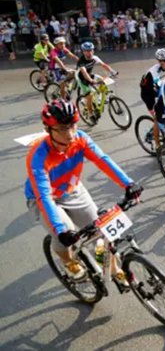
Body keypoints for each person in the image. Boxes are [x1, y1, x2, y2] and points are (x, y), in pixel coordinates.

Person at [25, 99, 143, 281]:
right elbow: (44, 196)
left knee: (100, 231)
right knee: (65, 229)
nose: (70, 133)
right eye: (62, 129)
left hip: (72, 190)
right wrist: (60, 230)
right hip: (45, 198)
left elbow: (102, 160)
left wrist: (128, 184)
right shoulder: (38, 156)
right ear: (48, 129)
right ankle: (67, 261)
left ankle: (112, 269)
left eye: (73, 125)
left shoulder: (80, 138)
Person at [140, 48, 165, 148]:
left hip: (158, 90)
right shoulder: (153, 72)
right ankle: (158, 146)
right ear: (160, 62)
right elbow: (157, 90)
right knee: (157, 118)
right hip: (148, 95)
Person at [76, 42, 118, 120]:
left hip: (90, 75)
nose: (90, 52)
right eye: (87, 51)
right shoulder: (81, 61)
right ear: (83, 52)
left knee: (103, 81)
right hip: (82, 78)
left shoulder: (95, 58)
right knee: (90, 96)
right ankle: (90, 113)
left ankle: (99, 100)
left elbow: (104, 65)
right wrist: (91, 80)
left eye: (91, 50)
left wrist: (113, 71)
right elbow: (84, 73)